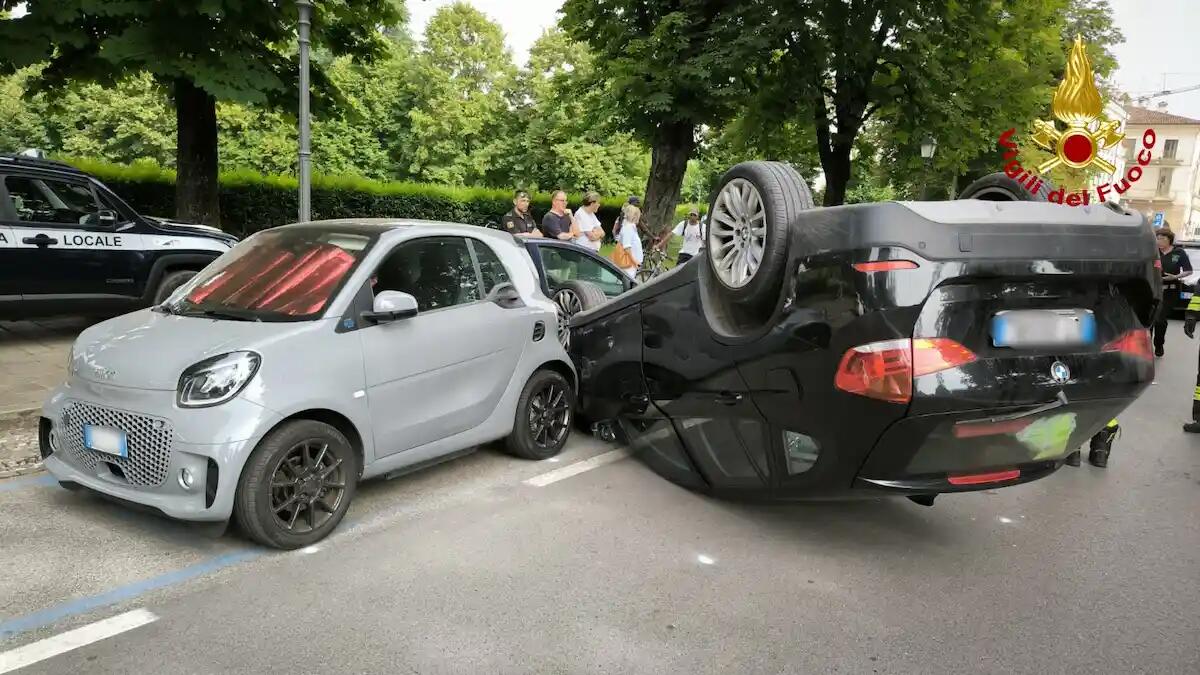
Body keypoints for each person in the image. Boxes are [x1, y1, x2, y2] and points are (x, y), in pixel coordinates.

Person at [1154, 227, 1192, 357]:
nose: (1159, 241)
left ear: (1169, 240)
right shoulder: (1153, 252)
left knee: (1159, 318)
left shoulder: (1179, 252)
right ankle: (1146, 346)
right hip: (1153, 290)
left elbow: (1188, 270)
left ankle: (1158, 344)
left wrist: (1175, 277)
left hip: (1170, 291)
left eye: (1162, 239)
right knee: (1149, 319)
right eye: (1157, 238)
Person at [615, 204, 644, 279]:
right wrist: (634, 261)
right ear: (634, 216)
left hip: (631, 263)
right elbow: (627, 247)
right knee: (628, 280)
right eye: (638, 215)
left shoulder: (630, 227)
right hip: (628, 263)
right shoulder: (628, 227)